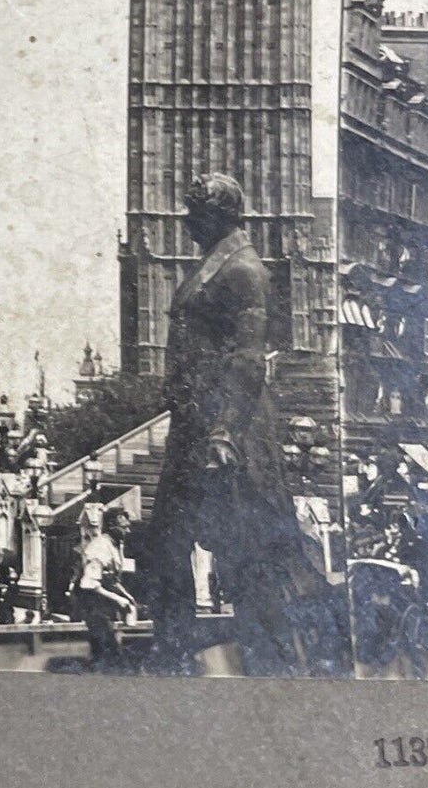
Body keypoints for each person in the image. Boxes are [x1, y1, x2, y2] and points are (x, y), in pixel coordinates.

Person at [144, 173, 351, 677]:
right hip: (193, 423)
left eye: (195, 211)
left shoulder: (245, 270)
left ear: (221, 215)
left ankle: (274, 665)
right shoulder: (211, 267)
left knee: (249, 555)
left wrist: (224, 432)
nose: (186, 219)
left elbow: (247, 358)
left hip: (226, 430)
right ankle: (174, 653)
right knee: (165, 543)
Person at [76, 507, 136, 670]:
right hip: (91, 604)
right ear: (111, 526)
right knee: (109, 652)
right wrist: (118, 599)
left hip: (103, 606)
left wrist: (127, 596)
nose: (128, 531)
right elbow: (89, 583)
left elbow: (112, 579)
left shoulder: (114, 546)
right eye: (124, 527)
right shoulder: (100, 547)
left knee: (108, 651)